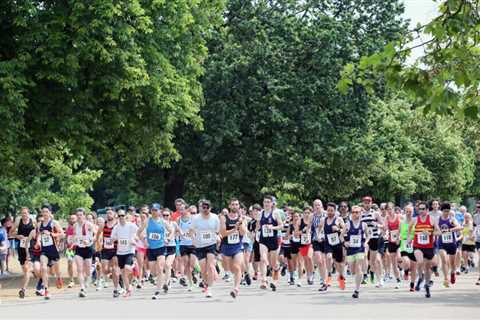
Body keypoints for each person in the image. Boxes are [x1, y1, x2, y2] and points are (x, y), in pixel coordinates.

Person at [137, 203, 173, 299]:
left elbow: (171, 231)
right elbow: (139, 232)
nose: (154, 212)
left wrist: (168, 239)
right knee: (153, 272)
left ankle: (157, 290)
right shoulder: (147, 221)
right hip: (150, 248)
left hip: (161, 247)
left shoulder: (163, 221)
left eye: (156, 210)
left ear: (159, 211)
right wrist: (144, 240)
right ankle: (165, 279)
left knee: (160, 268)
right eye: (152, 210)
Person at [408, 202, 440, 298]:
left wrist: (430, 233)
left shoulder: (432, 219)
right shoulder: (414, 220)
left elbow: (439, 232)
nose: (421, 211)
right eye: (419, 209)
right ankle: (420, 277)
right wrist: (409, 239)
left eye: (423, 209)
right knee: (420, 261)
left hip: (429, 247)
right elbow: (409, 230)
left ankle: (426, 287)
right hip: (418, 246)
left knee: (427, 268)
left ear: (427, 210)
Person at [191, 199, 220, 298]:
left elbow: (217, 230)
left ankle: (210, 288)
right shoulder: (196, 218)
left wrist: (217, 237)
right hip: (200, 245)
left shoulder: (215, 217)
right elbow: (191, 230)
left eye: (207, 207)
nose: (205, 209)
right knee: (203, 269)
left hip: (211, 244)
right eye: (203, 207)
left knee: (211, 266)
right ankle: (205, 283)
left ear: (210, 208)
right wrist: (193, 239)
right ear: (201, 208)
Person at [219, 198, 247, 298]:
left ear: (239, 206)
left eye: (236, 204)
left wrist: (240, 225)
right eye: (233, 204)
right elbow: (222, 233)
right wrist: (233, 229)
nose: (235, 206)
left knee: (237, 267)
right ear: (229, 206)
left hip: (237, 246)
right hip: (226, 247)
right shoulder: (224, 218)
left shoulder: (241, 218)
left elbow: (243, 233)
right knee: (231, 269)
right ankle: (236, 278)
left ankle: (236, 289)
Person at [257, 195, 283, 291]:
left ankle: (276, 274)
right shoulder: (260, 213)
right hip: (263, 239)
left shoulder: (275, 213)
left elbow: (281, 225)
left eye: (268, 202)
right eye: (265, 202)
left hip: (273, 240)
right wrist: (255, 231)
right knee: (263, 259)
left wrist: (273, 228)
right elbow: (258, 225)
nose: (266, 204)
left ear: (272, 204)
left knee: (273, 263)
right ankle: (263, 280)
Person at [38, 205, 64, 299]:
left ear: (50, 213)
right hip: (44, 250)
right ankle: (46, 290)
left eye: (46, 211)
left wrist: (52, 234)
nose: (44, 213)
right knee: (43, 268)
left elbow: (62, 234)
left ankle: (59, 278)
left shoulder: (54, 223)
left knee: (56, 271)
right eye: (43, 211)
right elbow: (38, 235)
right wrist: (38, 241)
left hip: (53, 250)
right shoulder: (39, 224)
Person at [111, 209, 138, 298]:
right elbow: (112, 238)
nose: (121, 217)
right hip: (120, 252)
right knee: (123, 273)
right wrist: (114, 239)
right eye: (119, 216)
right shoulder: (116, 227)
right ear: (117, 217)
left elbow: (138, 233)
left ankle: (133, 266)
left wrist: (134, 239)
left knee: (127, 269)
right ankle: (128, 289)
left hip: (130, 251)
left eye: (122, 215)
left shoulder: (131, 225)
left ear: (125, 216)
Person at [344, 205, 369, 298]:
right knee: (352, 270)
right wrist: (345, 242)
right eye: (353, 212)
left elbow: (368, 235)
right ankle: (356, 280)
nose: (355, 214)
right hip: (350, 249)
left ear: (360, 213)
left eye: (357, 212)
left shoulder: (363, 225)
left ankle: (357, 290)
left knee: (358, 268)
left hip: (360, 249)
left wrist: (366, 242)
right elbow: (341, 236)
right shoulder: (348, 224)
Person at [96, 207, 121, 297]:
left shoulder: (118, 225)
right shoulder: (103, 224)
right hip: (105, 249)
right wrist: (98, 242)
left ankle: (115, 289)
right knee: (105, 270)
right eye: (107, 213)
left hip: (115, 250)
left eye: (110, 213)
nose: (108, 215)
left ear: (114, 214)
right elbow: (98, 234)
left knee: (115, 268)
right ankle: (116, 275)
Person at [321, 202, 346, 290]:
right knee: (328, 257)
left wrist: (338, 229)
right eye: (328, 210)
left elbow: (345, 230)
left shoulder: (339, 219)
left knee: (339, 265)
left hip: (337, 244)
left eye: (331, 211)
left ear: (335, 211)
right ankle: (329, 275)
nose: (330, 212)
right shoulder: (324, 220)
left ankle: (341, 278)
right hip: (328, 243)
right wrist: (320, 236)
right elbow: (319, 229)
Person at [10, 207, 35, 298]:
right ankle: (34, 271)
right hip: (21, 248)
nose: (24, 215)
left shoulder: (33, 222)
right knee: (25, 270)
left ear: (28, 213)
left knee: (27, 268)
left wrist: (33, 238)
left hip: (31, 248)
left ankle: (23, 289)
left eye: (25, 213)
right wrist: (17, 236)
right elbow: (10, 233)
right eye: (22, 213)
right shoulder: (18, 221)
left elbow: (38, 233)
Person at [436, 202, 462, 288]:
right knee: (444, 260)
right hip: (442, 243)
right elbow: (434, 231)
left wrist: (449, 230)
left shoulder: (452, 219)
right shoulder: (438, 220)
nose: (446, 213)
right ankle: (446, 278)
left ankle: (452, 273)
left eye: (448, 211)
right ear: (442, 211)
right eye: (444, 211)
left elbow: (459, 227)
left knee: (452, 263)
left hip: (451, 243)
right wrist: (438, 232)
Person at [361, 196, 384, 287]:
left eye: (368, 202)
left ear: (371, 203)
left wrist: (377, 225)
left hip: (374, 238)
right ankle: (365, 275)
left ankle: (378, 278)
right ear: (363, 203)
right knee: (364, 255)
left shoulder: (376, 214)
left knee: (374, 261)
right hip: (364, 238)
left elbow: (383, 226)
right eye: (365, 202)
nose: (367, 204)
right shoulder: (360, 213)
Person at [72, 208, 95, 298]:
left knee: (87, 270)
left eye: (81, 215)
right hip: (79, 248)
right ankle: (82, 288)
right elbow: (74, 235)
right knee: (79, 269)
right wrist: (73, 241)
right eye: (78, 215)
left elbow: (94, 236)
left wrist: (88, 240)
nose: (79, 217)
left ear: (84, 216)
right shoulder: (75, 225)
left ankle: (87, 281)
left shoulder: (89, 225)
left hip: (88, 248)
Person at [178, 204, 196, 291]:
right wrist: (179, 234)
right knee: (186, 264)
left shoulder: (193, 218)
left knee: (192, 264)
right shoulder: (179, 219)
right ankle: (191, 283)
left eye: (182, 209)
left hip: (193, 244)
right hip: (183, 244)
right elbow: (176, 230)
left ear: (187, 210)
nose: (180, 211)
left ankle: (194, 273)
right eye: (179, 210)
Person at [399, 204, 417, 292]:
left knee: (413, 267)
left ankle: (412, 285)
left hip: (414, 245)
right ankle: (406, 271)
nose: (409, 213)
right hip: (404, 244)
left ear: (413, 212)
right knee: (406, 261)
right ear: (404, 212)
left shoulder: (415, 222)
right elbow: (399, 233)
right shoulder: (402, 222)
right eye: (407, 211)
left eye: (410, 212)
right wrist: (398, 238)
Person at [385, 202, 402, 288]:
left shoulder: (398, 217)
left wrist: (399, 237)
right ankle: (398, 280)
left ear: (393, 208)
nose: (389, 211)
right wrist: (386, 233)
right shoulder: (387, 218)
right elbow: (386, 228)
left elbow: (402, 228)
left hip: (399, 240)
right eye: (388, 209)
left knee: (399, 257)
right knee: (393, 263)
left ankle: (403, 269)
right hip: (391, 241)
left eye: (390, 209)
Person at [162, 208, 178, 291]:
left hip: (171, 246)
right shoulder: (160, 224)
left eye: (167, 215)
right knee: (163, 266)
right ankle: (168, 280)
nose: (165, 217)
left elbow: (179, 231)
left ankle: (166, 283)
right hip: (161, 247)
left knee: (168, 265)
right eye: (163, 215)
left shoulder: (174, 224)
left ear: (170, 216)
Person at [65, 214, 77, 288]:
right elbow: (67, 237)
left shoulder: (79, 227)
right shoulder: (68, 228)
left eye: (73, 218)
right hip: (69, 249)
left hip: (78, 248)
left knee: (80, 264)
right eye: (71, 219)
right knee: (69, 263)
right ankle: (71, 280)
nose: (72, 220)